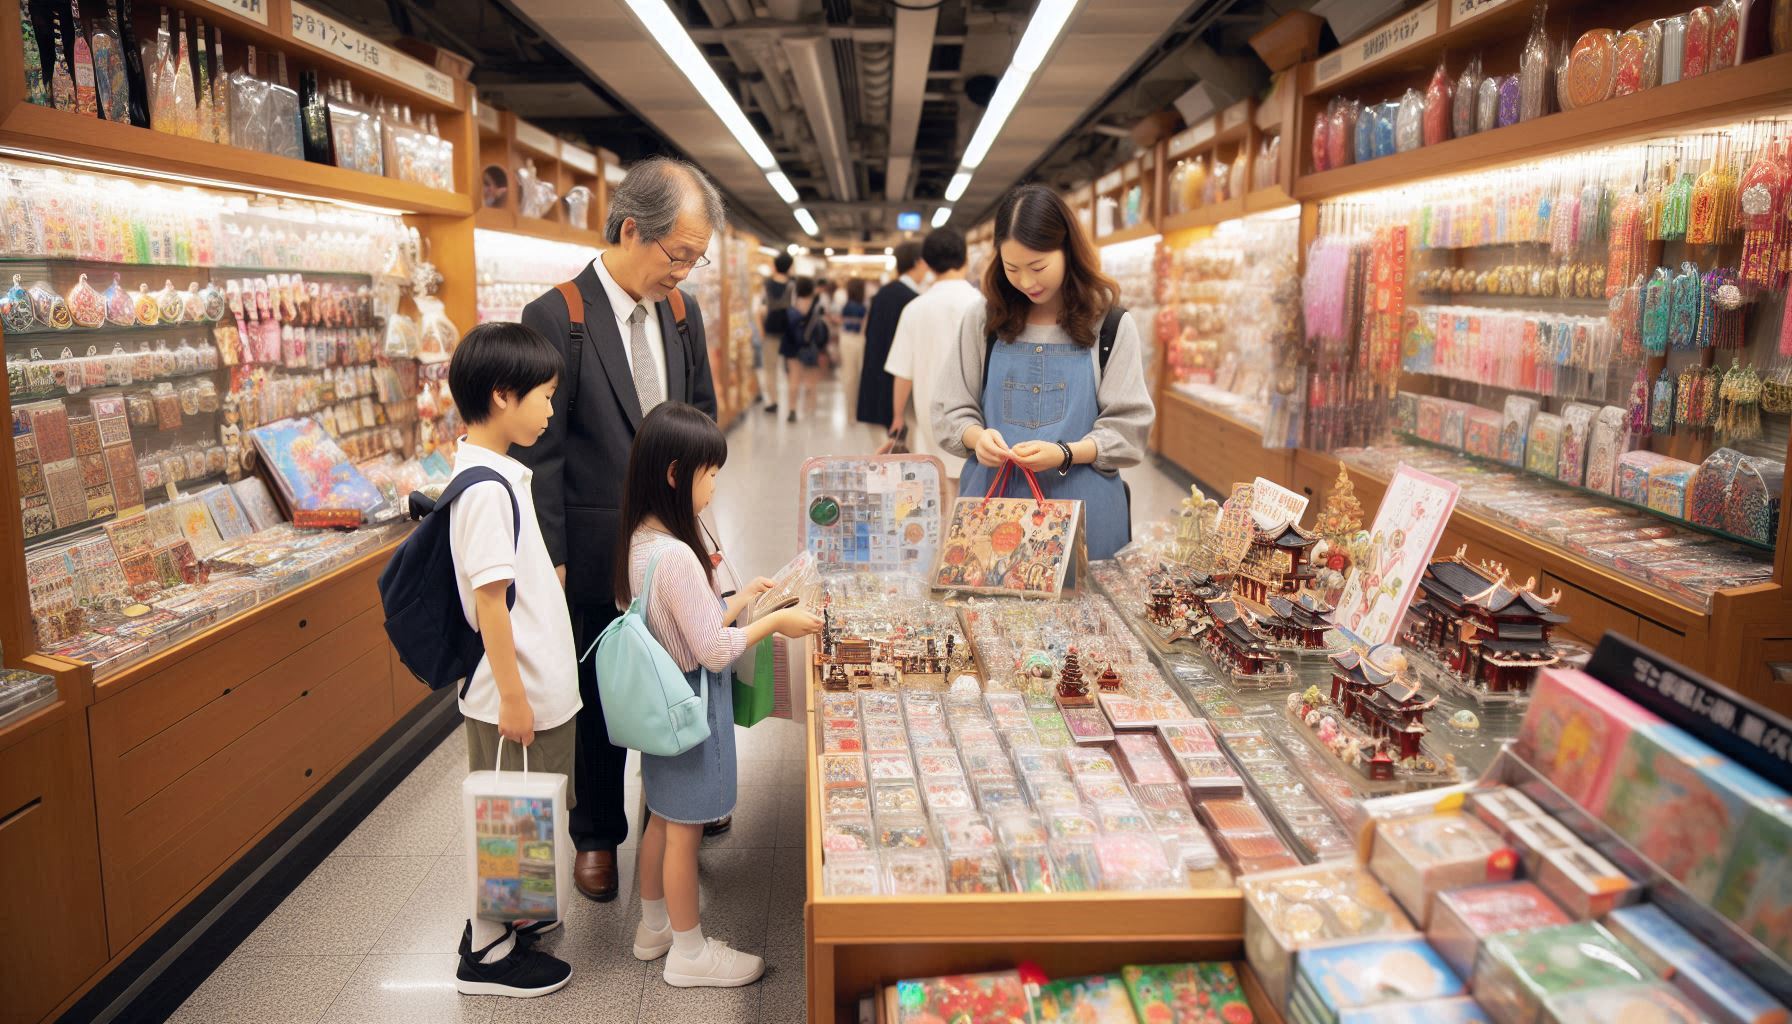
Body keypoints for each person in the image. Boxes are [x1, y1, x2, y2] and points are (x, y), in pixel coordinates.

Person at [516, 156, 723, 905]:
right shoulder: (557, 317)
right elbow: (540, 455)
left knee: (682, 673)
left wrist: (704, 525)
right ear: (632, 229)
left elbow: (700, 419)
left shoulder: (681, 314)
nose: (686, 274)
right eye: (679, 257)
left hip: (673, 546)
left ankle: (678, 808)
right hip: (596, 547)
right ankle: (597, 834)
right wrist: (555, 562)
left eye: (697, 260)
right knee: (600, 689)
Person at [618, 403, 823, 987]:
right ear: (678, 474)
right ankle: (689, 953)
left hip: (660, 706)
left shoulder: (642, 539)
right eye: (711, 475)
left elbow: (679, 621)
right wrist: (771, 624)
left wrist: (739, 600)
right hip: (690, 707)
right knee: (685, 829)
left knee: (662, 815)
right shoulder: (679, 555)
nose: (714, 488)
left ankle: (654, 925)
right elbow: (709, 649)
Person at [444, 322, 579, 998]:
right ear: (503, 395)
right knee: (506, 819)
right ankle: (489, 953)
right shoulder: (484, 491)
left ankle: (511, 922)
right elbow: (490, 603)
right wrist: (515, 699)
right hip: (513, 694)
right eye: (544, 397)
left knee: (525, 819)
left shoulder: (497, 474)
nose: (551, 411)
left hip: (530, 685)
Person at [933, 183, 1154, 561]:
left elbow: (1127, 428)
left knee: (1085, 618)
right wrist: (976, 437)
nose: (1026, 282)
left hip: (1085, 512)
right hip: (993, 513)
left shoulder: (1110, 325)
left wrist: (1065, 453)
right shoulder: (983, 320)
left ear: (1068, 250)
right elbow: (951, 408)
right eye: (1012, 268)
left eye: (1038, 267)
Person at [884, 227, 980, 481]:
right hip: (977, 421)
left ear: (926, 263)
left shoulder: (915, 309)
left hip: (930, 418)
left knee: (936, 492)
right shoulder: (982, 304)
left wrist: (897, 417)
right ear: (966, 258)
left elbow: (903, 373)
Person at [856, 240, 925, 429]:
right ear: (918, 262)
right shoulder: (914, 300)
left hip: (876, 381)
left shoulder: (882, 294)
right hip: (898, 388)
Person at [779, 277, 827, 422]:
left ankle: (792, 409)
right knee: (811, 380)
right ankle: (810, 410)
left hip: (792, 345)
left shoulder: (792, 305)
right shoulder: (816, 305)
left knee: (793, 379)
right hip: (809, 346)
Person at [760, 252, 794, 414]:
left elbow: (762, 308)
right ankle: (792, 404)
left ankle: (773, 401)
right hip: (789, 331)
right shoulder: (792, 285)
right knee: (791, 368)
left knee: (770, 368)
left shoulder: (767, 284)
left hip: (771, 329)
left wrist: (762, 328)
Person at [836, 278, 868, 410]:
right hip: (860, 339)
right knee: (861, 374)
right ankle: (861, 407)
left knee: (849, 375)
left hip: (846, 339)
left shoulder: (846, 306)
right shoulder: (864, 307)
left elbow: (842, 322)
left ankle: (850, 410)